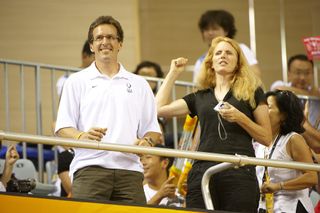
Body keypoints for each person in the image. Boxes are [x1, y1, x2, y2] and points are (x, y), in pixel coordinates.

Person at [156, 36, 272, 211]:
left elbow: (266, 137)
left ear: (238, 62)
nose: (223, 56)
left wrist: (240, 118)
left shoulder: (253, 92)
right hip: (202, 172)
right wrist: (173, 73)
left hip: (238, 169)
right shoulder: (200, 96)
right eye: (218, 53)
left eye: (228, 53)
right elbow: (158, 108)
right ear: (211, 62)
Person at [55, 15, 161, 203]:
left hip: (130, 171)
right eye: (99, 38)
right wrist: (81, 136)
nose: (105, 42)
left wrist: (147, 142)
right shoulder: (75, 81)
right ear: (91, 45)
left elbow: (152, 130)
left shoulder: (140, 84)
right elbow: (63, 128)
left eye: (111, 37)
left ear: (120, 44)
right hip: (89, 168)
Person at [255, 90, 317, 212]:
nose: (262, 111)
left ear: (283, 115)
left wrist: (279, 186)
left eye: (269, 107)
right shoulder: (261, 142)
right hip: (266, 206)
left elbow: (312, 177)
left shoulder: (293, 139)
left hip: (292, 206)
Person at [193, 10, 261, 82]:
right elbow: (197, 87)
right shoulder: (201, 60)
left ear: (226, 31)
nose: (210, 33)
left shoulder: (241, 49)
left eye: (214, 29)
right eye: (206, 29)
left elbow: (256, 75)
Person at [270, 54, 320, 151]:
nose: (302, 77)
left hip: (313, 145)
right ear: (289, 73)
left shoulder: (317, 94)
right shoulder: (280, 85)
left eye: (307, 73)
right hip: (285, 143)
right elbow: (278, 89)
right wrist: (310, 93)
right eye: (298, 72)